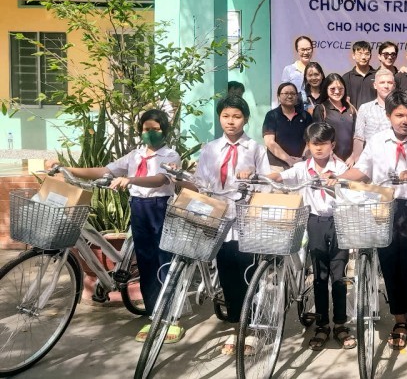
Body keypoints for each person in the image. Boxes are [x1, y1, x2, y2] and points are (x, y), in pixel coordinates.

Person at [47, 109, 181, 342]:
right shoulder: (134, 155)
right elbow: (105, 170)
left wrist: (131, 179)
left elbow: (162, 179)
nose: (150, 133)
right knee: (147, 262)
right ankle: (153, 315)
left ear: (165, 131)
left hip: (161, 208)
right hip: (139, 208)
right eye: (146, 129)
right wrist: (67, 169)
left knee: (164, 262)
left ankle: (171, 317)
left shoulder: (171, 155)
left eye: (155, 129)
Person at [339, 89, 407, 355]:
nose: (405, 120)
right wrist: (337, 176)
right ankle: (400, 321)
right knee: (391, 265)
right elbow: (362, 171)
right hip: (384, 209)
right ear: (389, 116)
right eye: (399, 115)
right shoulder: (377, 142)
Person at [187, 95, 271, 355]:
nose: (231, 121)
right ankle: (236, 326)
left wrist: (253, 178)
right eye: (226, 116)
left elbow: (267, 184)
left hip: (245, 219)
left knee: (248, 273)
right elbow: (201, 183)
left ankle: (252, 328)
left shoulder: (255, 149)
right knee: (227, 274)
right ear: (220, 118)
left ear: (245, 119)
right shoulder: (210, 149)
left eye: (236, 116)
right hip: (219, 219)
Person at [266, 123, 355, 351]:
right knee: (319, 275)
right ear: (308, 145)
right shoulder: (302, 168)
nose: (318, 149)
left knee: (339, 275)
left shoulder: (342, 167)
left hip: (338, 222)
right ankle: (322, 324)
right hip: (314, 222)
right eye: (314, 144)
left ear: (332, 145)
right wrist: (272, 176)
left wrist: (338, 181)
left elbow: (351, 191)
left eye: (323, 144)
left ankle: (341, 324)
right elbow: (283, 175)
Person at [349, 69, 396, 166]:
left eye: (389, 82)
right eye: (382, 82)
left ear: (394, 86)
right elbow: (359, 138)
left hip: (394, 160)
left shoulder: (400, 109)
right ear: (375, 85)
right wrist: (359, 163)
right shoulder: (365, 108)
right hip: (370, 161)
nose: (386, 86)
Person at [262, 83, 312, 171]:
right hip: (277, 166)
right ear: (278, 96)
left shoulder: (305, 116)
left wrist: (302, 159)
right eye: (286, 93)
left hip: (301, 165)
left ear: (297, 97)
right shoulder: (272, 115)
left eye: (293, 94)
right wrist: (289, 160)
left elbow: (310, 140)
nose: (290, 96)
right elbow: (269, 142)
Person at [313, 73, 357, 162]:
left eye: (340, 89)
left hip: (351, 161)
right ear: (326, 89)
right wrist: (333, 157)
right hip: (330, 160)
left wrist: (353, 156)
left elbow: (357, 134)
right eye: (332, 89)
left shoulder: (351, 108)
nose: (337, 92)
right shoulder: (321, 109)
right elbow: (319, 137)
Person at [279, 36, 314, 106]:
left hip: (313, 109)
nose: (306, 52)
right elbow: (284, 92)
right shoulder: (289, 69)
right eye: (302, 50)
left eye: (308, 49)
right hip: (294, 109)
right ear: (297, 50)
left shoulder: (316, 70)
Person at [342, 41, 377, 109]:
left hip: (375, 117)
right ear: (353, 56)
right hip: (354, 117)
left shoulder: (377, 75)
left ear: (370, 56)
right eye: (359, 54)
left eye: (367, 54)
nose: (363, 57)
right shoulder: (346, 77)